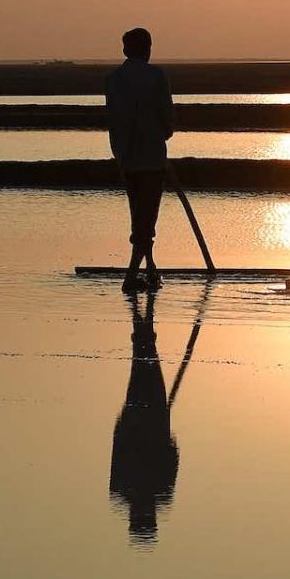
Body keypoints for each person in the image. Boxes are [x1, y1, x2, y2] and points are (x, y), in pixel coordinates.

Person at [106, 27, 175, 294]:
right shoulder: (157, 77)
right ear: (148, 49)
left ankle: (150, 270)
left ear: (125, 50)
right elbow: (167, 119)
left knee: (140, 216)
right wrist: (161, 135)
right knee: (146, 220)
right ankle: (132, 275)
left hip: (126, 158)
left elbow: (113, 120)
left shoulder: (112, 79)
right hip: (151, 159)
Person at [109, 289, 179, 543]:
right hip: (150, 423)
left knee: (143, 365)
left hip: (143, 421)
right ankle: (143, 317)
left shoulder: (122, 490)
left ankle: (142, 317)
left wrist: (123, 425)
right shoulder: (159, 491)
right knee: (146, 364)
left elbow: (119, 450)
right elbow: (172, 456)